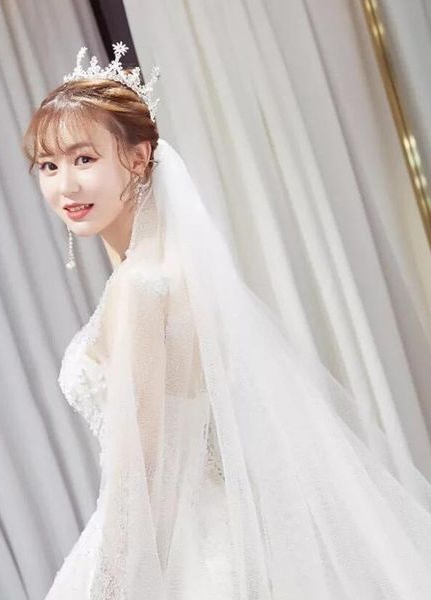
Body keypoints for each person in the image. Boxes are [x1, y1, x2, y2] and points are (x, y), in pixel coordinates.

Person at [22, 42, 431, 599]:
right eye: (49, 166)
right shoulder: (169, 274)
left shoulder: (142, 286)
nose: (64, 185)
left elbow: (145, 472)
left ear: (138, 158)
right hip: (214, 533)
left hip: (182, 551)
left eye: (84, 159)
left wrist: (111, 584)